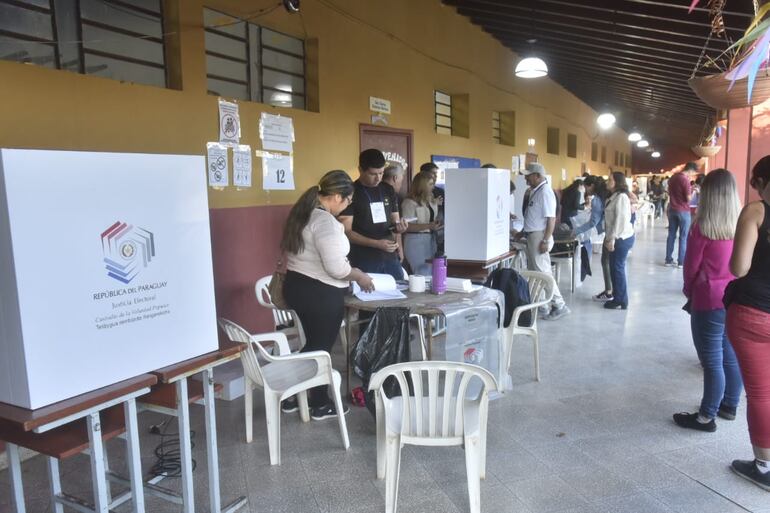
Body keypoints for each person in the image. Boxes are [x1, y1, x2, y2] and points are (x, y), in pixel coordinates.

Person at [281, 170, 374, 419]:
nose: (348, 205)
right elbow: (336, 268)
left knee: (314, 344)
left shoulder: (303, 214)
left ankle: (291, 395)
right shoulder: (326, 223)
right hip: (319, 294)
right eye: (348, 200)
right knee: (320, 349)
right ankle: (319, 403)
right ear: (335, 196)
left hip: (298, 286)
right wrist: (360, 276)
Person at [673, 169, 743, 433]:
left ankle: (706, 416)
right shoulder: (741, 225)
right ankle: (729, 405)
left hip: (708, 298)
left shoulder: (702, 227)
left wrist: (689, 290)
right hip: (733, 298)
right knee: (729, 354)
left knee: (712, 360)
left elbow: (691, 267)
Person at [725, 155, 770, 491]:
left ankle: (765, 467)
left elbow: (738, 268)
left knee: (760, 394)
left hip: (753, 313)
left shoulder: (756, 212)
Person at [340, 149, 408, 281]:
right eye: (373, 174)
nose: (378, 178)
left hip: (389, 256)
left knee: (398, 292)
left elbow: (395, 223)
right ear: (360, 170)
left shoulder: (388, 189)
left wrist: (400, 229)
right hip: (363, 258)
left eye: (381, 173)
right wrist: (376, 244)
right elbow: (347, 231)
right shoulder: (351, 192)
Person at [520, 162, 570, 320]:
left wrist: (546, 240)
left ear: (537, 176)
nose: (526, 179)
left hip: (539, 237)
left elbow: (551, 219)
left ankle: (559, 304)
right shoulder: (536, 191)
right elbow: (533, 217)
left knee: (544, 273)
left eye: (528, 176)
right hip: (532, 235)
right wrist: (522, 232)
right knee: (536, 273)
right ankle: (543, 305)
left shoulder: (546, 192)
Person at [574, 176, 611, 300]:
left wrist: (577, 231)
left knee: (606, 262)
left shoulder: (597, 200)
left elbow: (593, 222)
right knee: (609, 263)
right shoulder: (605, 196)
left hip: (611, 233)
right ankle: (609, 291)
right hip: (612, 231)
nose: (585, 190)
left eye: (585, 186)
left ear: (591, 186)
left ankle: (609, 292)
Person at [603, 171, 635, 310]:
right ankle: (619, 297)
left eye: (610, 179)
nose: (607, 182)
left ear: (617, 182)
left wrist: (612, 239)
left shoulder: (621, 197)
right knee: (615, 268)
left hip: (621, 238)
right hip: (616, 237)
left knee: (617, 268)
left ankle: (621, 300)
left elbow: (621, 220)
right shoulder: (614, 196)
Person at [401, 173, 441, 275]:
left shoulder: (430, 200)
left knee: (432, 271)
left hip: (430, 239)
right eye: (431, 184)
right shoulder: (409, 203)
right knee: (422, 272)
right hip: (416, 241)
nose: (433, 187)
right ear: (422, 185)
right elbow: (407, 227)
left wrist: (436, 225)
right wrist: (429, 226)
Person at [665, 164, 693, 267]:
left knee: (671, 235)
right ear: (690, 170)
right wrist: (693, 194)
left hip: (672, 209)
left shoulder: (673, 178)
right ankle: (681, 262)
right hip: (683, 211)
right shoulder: (685, 180)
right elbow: (688, 199)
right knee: (683, 237)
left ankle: (668, 260)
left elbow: (669, 191)